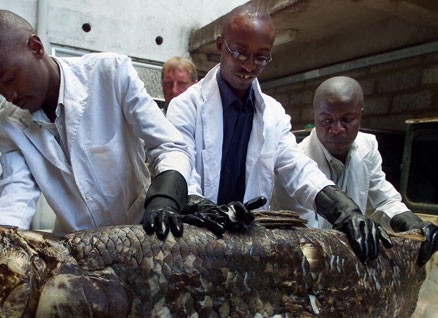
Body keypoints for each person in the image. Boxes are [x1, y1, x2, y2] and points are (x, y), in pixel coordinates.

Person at [166, 4, 392, 262]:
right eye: (240, 53)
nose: (249, 66)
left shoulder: (273, 114)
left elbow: (297, 169)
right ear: (220, 45)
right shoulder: (186, 106)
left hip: (248, 245)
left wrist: (344, 210)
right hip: (197, 241)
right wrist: (202, 206)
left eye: (261, 57)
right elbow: (177, 164)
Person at [0, 9, 194, 240]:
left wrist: (165, 196)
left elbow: (169, 145)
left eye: (9, 78)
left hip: (140, 234)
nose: (9, 94)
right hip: (77, 249)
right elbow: (15, 193)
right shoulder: (9, 124)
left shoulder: (111, 74)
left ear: (36, 47)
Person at [272, 76, 438, 265]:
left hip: (347, 264)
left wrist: (412, 224)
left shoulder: (367, 147)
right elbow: (305, 234)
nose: (337, 129)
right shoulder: (294, 164)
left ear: (360, 115)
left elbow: (383, 200)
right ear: (315, 116)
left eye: (347, 119)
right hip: (306, 263)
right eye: (326, 120)